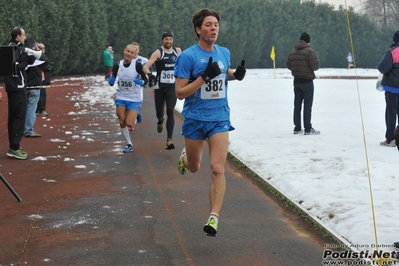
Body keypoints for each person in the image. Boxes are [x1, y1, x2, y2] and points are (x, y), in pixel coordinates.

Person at [174, 8, 246, 237]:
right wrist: (204, 76)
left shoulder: (224, 52)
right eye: (208, 25)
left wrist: (236, 74)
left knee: (217, 168)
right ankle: (185, 158)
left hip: (219, 119)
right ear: (198, 29)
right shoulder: (188, 56)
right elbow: (180, 92)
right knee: (195, 167)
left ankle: (213, 217)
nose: (213, 28)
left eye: (216, 24)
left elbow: (224, 73)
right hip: (195, 119)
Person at [142, 30, 181, 150]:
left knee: (170, 110)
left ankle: (169, 140)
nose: (168, 41)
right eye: (166, 39)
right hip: (159, 87)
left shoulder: (177, 51)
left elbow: (183, 64)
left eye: (170, 39)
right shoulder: (158, 52)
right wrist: (150, 75)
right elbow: (145, 67)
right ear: (162, 40)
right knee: (160, 113)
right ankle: (160, 120)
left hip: (172, 87)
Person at [4, 27, 38, 159]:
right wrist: (27, 60)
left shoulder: (12, 47)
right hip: (17, 87)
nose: (25, 37)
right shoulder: (14, 49)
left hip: (15, 87)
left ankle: (14, 146)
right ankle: (14, 147)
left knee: (14, 117)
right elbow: (16, 67)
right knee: (18, 116)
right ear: (17, 36)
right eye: (23, 35)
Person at [108, 43, 147, 153]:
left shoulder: (137, 65)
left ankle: (137, 113)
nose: (129, 54)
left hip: (133, 98)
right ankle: (129, 144)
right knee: (122, 122)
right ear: (124, 51)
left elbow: (146, 80)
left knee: (130, 123)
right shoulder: (118, 65)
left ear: (135, 55)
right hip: (121, 96)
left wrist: (141, 81)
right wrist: (111, 80)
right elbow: (113, 76)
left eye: (132, 53)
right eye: (128, 51)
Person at [286, 32, 320, 135]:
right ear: (308, 42)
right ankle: (308, 129)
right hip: (307, 82)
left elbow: (288, 65)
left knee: (297, 106)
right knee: (307, 106)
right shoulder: (310, 52)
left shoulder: (293, 51)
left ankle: (297, 128)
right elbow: (316, 66)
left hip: (296, 81)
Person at [377, 30, 399, 147]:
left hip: (392, 88)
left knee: (391, 113)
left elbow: (382, 68)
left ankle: (390, 139)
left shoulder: (392, 52)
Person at [24, 37, 50, 138]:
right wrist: (40, 51)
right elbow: (45, 61)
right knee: (31, 108)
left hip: (24, 84)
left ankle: (22, 128)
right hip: (34, 85)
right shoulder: (36, 55)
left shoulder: (22, 53)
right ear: (34, 45)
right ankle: (28, 130)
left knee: (24, 108)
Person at [36, 42, 53, 117]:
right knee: (37, 95)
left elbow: (49, 66)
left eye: (43, 48)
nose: (42, 49)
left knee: (42, 95)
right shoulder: (36, 56)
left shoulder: (44, 56)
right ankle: (38, 110)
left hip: (43, 78)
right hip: (36, 79)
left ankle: (41, 110)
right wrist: (48, 68)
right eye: (40, 48)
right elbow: (42, 66)